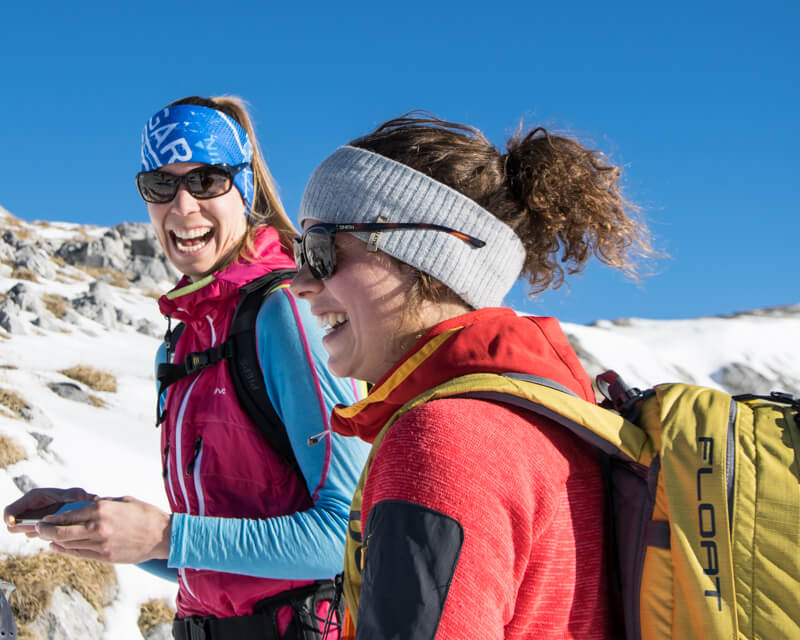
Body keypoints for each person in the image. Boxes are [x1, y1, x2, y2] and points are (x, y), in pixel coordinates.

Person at [5, 96, 370, 640]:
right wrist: (103, 523)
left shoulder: (286, 314)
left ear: (244, 188)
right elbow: (213, 557)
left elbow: (343, 539)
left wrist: (165, 537)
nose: (182, 207)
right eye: (160, 186)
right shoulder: (181, 343)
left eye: (206, 181)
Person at [290, 115, 656, 639]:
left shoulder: (445, 441)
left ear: (431, 258)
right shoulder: (545, 415)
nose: (301, 282)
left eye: (323, 250)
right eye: (301, 251)